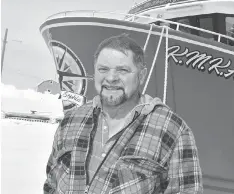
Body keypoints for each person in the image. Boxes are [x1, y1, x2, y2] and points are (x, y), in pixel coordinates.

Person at [44, 34, 203, 194]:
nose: (111, 78)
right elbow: (51, 185)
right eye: (103, 69)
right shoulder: (72, 121)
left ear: (141, 75)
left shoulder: (172, 130)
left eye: (123, 70)